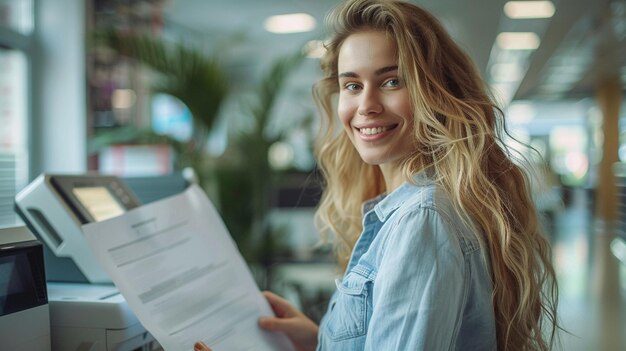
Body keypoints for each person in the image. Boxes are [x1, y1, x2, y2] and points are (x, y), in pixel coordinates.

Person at [196, 0, 559, 350]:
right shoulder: (410, 210)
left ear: (434, 93)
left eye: (391, 81)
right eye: (352, 85)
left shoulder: (422, 222)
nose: (366, 105)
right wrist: (319, 340)